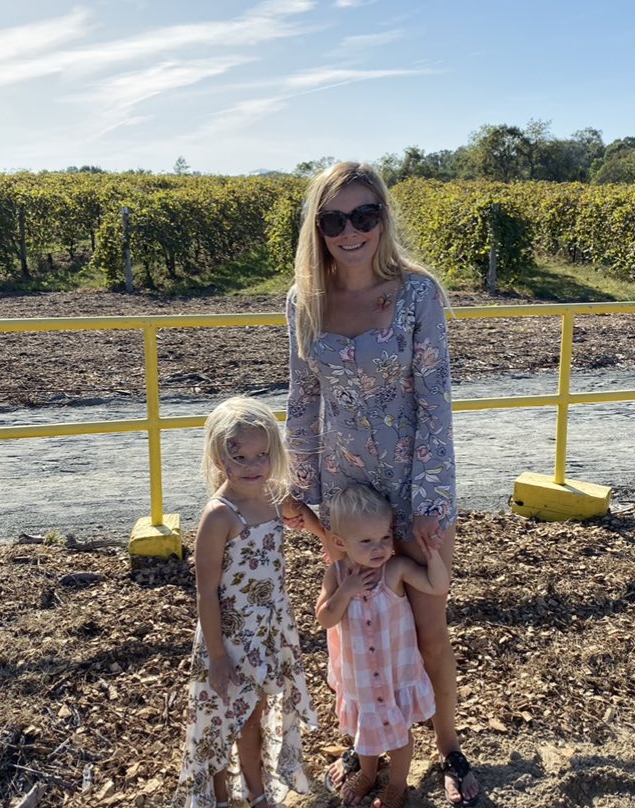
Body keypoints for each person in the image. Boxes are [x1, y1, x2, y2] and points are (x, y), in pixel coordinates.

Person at [286, 161, 481, 806]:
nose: (351, 231)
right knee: (352, 626)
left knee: (427, 628)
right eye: (334, 219)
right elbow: (303, 400)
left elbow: (435, 400)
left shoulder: (418, 294)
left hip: (412, 487)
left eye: (364, 215)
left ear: (383, 219)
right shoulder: (304, 302)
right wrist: (301, 495)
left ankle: (449, 747)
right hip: (347, 501)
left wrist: (430, 502)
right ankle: (367, 743)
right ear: (318, 228)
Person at [173, 396, 321, 808]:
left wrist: (327, 539)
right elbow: (206, 591)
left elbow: (297, 509)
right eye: (240, 457)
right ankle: (219, 794)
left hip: (268, 629)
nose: (253, 466)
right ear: (219, 459)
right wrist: (218, 656)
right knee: (220, 717)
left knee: (253, 712)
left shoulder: (271, 496)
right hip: (230, 635)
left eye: (262, 455)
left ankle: (256, 791)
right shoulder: (219, 516)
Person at [316, 484, 450, 808]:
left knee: (399, 731)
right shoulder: (336, 574)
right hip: (361, 676)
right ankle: (368, 772)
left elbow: (437, 585)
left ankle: (398, 784)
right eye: (366, 541)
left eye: (385, 538)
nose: (379, 548)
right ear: (340, 543)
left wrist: (433, 555)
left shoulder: (395, 570)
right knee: (366, 729)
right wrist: (346, 591)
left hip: (395, 674)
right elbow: (325, 618)